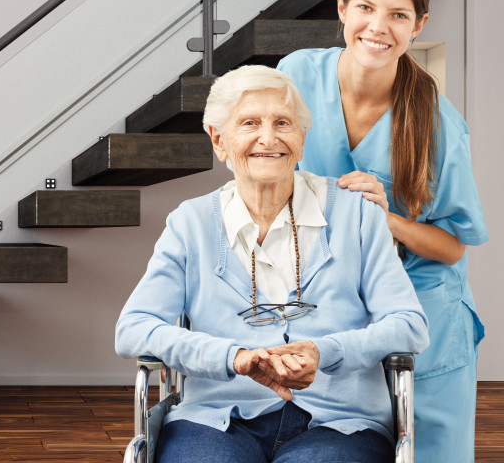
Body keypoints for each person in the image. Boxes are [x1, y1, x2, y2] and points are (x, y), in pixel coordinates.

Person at [115, 64, 428, 463]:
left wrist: (326, 350)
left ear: (301, 138)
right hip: (215, 418)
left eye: (283, 122)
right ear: (219, 140)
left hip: (340, 422)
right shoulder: (190, 223)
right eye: (249, 123)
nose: (269, 138)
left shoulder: (357, 214)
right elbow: (133, 329)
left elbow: (409, 323)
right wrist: (232, 357)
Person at [276, 0, 488, 463]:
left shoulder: (436, 121)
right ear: (343, 8)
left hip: (422, 312)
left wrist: (386, 217)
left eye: (398, 15)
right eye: (367, 8)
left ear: (418, 25)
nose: (379, 27)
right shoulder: (296, 77)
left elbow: (454, 247)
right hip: (332, 303)